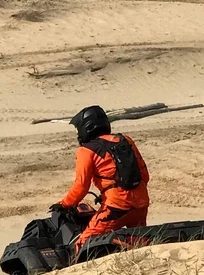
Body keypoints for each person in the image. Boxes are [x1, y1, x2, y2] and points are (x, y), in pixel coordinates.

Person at [50, 105, 150, 257]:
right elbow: (144, 175)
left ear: (87, 128)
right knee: (138, 241)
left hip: (116, 208)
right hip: (141, 204)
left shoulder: (86, 150)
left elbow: (81, 185)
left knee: (83, 244)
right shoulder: (126, 140)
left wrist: (64, 204)